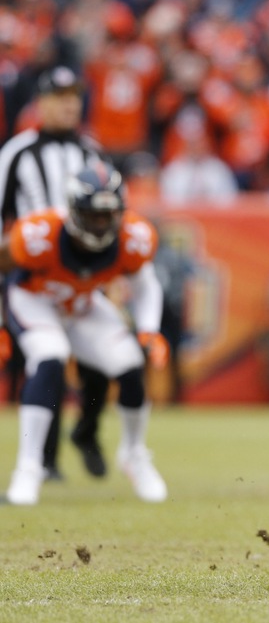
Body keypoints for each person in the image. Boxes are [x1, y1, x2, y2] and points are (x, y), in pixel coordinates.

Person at [1, 165, 169, 505]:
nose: (101, 224)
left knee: (130, 364)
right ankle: (29, 468)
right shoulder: (38, 234)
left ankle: (134, 454)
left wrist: (150, 330)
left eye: (108, 215)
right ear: (74, 211)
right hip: (35, 299)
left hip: (81, 303)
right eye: (93, 215)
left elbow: (145, 284)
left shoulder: (133, 237)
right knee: (50, 356)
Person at [0, 66, 114, 481]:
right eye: (60, 95)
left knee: (100, 360)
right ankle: (43, 460)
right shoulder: (17, 152)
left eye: (75, 95)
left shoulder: (92, 152)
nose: (70, 103)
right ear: (41, 102)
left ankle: (85, 430)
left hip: (85, 276)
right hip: (32, 278)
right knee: (38, 364)